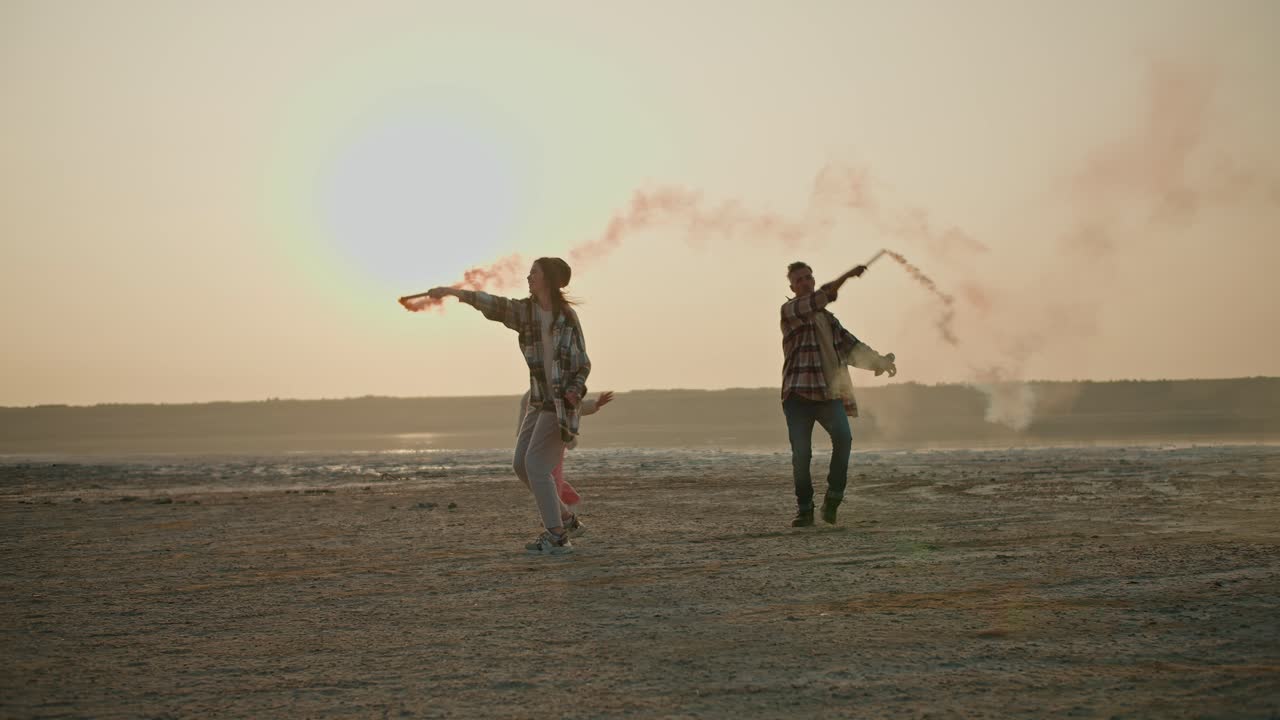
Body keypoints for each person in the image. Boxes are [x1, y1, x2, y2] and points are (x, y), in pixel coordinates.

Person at [418, 257, 590, 554]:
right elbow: (492, 304)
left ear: (547, 279)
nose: (528, 277)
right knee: (520, 465)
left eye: (533, 273)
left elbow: (582, 364)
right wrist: (451, 291)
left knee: (536, 466)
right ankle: (565, 518)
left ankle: (557, 537)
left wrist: (575, 391)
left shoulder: (567, 317)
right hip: (538, 402)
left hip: (559, 405)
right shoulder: (525, 312)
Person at [780, 261, 897, 527]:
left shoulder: (829, 320)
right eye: (800, 280)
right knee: (802, 454)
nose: (805, 282)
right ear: (792, 287)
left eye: (808, 277)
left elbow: (852, 347)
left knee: (843, 440)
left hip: (829, 394)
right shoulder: (791, 311)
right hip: (798, 395)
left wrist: (880, 361)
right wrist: (849, 275)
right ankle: (805, 508)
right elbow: (825, 294)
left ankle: (833, 500)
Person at [515, 389, 615, 528]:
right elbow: (527, 418)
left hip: (552, 438)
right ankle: (566, 504)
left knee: (550, 475)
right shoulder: (534, 392)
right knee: (543, 475)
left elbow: (573, 405)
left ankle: (558, 516)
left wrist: (595, 404)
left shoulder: (553, 386)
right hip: (534, 440)